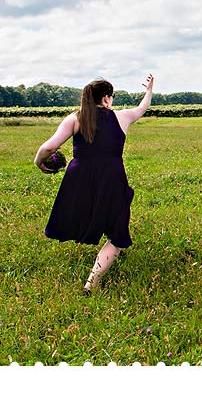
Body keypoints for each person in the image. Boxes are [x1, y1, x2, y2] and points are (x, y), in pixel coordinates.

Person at [34, 74, 154, 293]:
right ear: (107, 98)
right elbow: (142, 108)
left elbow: (50, 147)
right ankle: (92, 283)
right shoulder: (122, 117)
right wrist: (149, 91)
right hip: (112, 177)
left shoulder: (75, 118)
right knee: (117, 234)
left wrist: (38, 161)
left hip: (79, 178)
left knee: (84, 212)